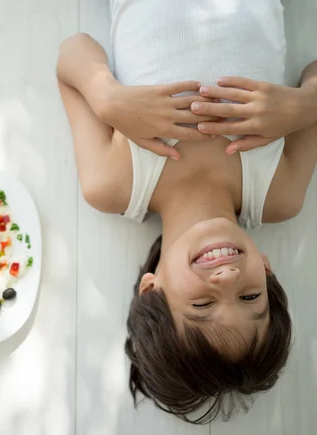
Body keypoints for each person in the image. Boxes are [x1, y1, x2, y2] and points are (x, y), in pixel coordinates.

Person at [56, 0, 317, 424]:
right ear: (267, 273)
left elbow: (73, 51)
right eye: (250, 297)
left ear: (151, 290)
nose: (229, 280)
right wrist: (306, 106)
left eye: (201, 304)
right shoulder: (279, 193)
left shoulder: (112, 183)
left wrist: (107, 98)